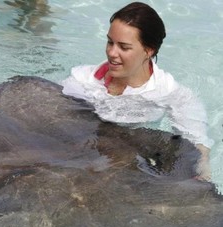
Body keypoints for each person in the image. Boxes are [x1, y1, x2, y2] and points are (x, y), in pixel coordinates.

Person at [60, 2, 213, 181]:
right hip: (83, 152)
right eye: (110, 42)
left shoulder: (172, 94)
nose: (112, 52)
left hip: (132, 163)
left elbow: (196, 145)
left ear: (148, 50)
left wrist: (201, 171)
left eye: (124, 47)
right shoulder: (82, 81)